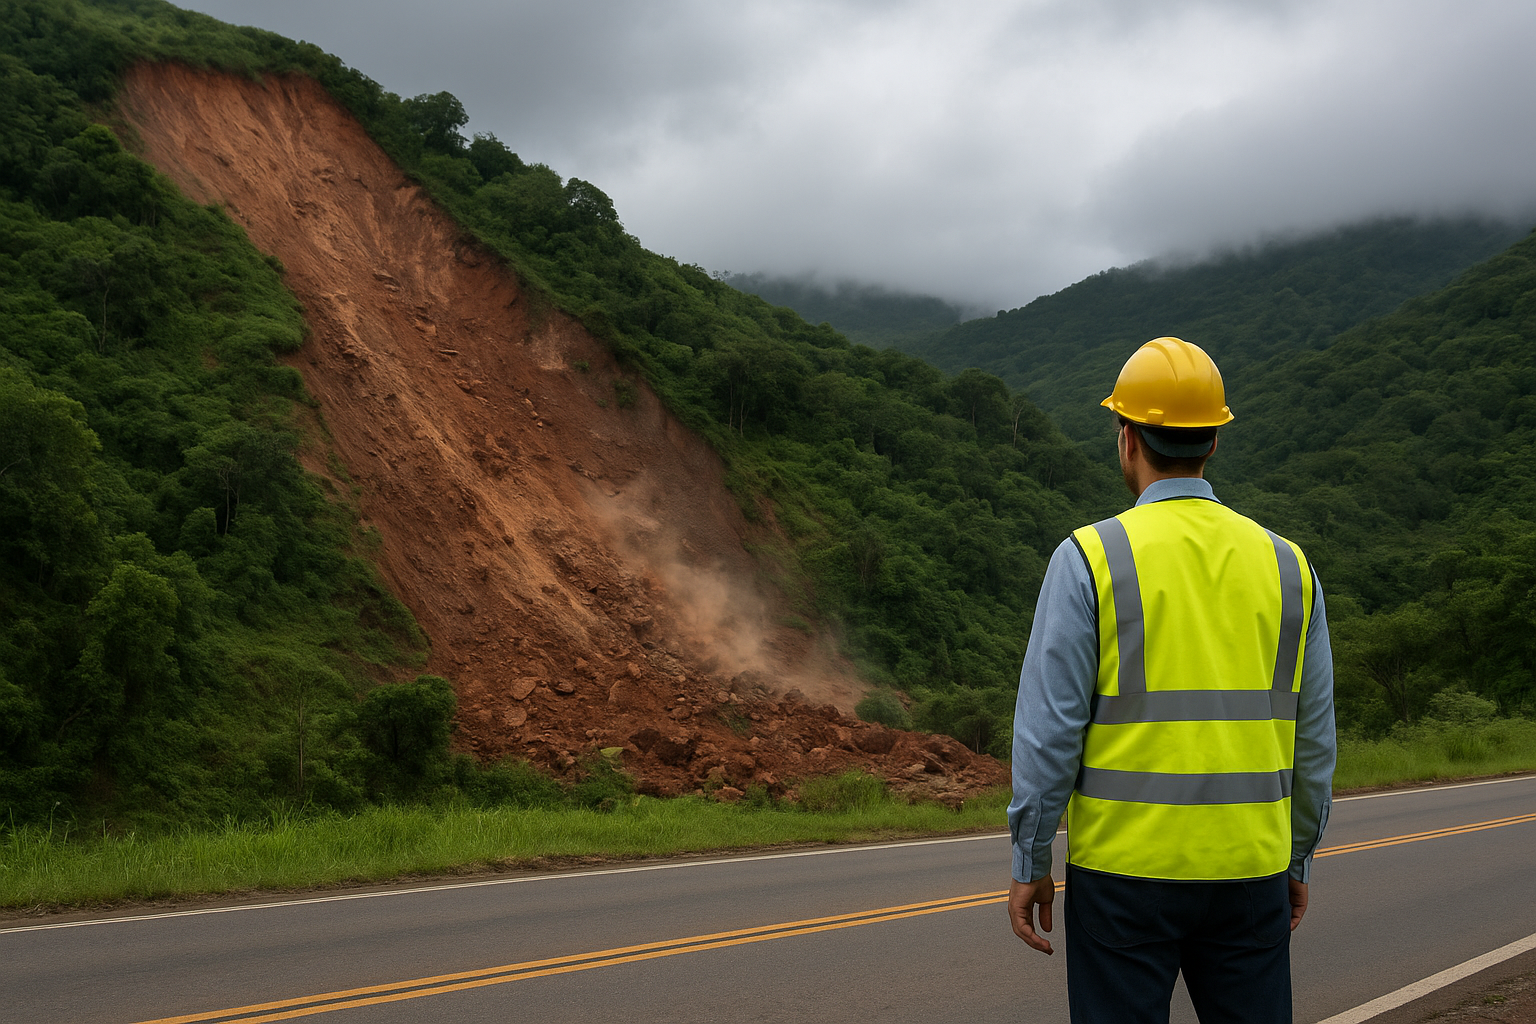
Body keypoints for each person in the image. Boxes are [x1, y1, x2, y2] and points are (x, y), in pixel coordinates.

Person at [1006, 337, 1336, 1024]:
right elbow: (1315, 745)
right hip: (1251, 870)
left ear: (1126, 438)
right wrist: (1296, 859)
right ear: (1213, 442)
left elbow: (1049, 736)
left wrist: (1032, 858)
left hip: (1124, 877)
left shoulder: (1087, 559)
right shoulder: (1289, 566)